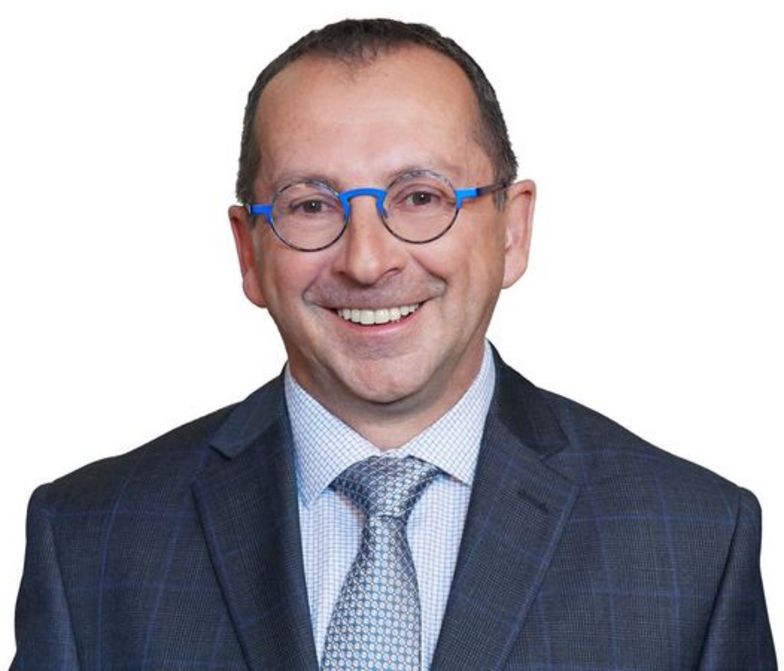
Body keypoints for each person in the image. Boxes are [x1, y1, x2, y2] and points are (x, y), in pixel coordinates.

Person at [11, 17, 776, 670]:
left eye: (420, 197)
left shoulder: (694, 540)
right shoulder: (90, 539)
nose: (368, 260)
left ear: (512, 230)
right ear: (249, 250)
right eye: (311, 205)